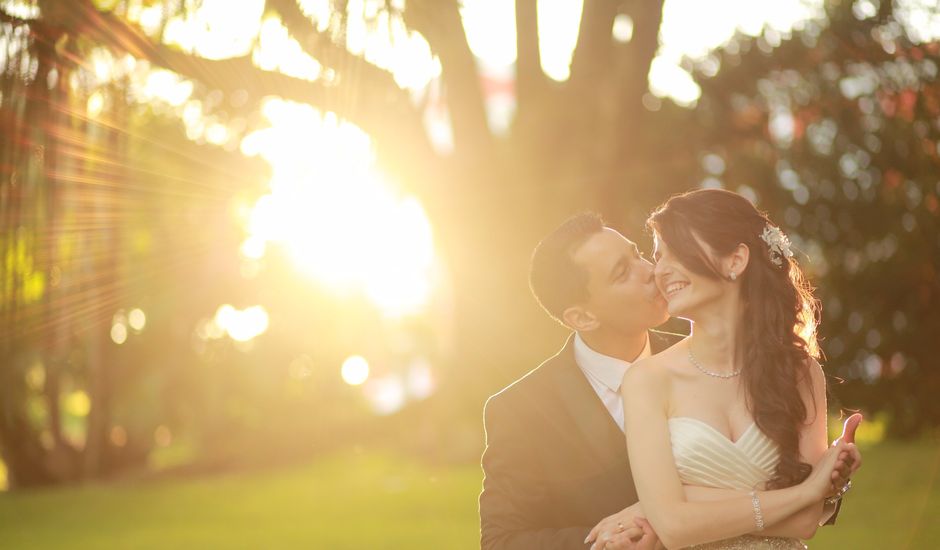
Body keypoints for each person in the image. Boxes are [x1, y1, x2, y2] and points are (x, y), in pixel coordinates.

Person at [479, 212, 858, 549]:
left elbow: (784, 479)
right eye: (622, 273)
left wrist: (828, 479)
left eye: (638, 254)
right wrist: (605, 540)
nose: (652, 271)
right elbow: (501, 541)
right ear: (583, 318)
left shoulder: (716, 360)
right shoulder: (520, 411)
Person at [586, 189, 860, 549]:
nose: (660, 270)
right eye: (658, 256)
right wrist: (809, 490)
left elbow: (807, 521)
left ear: (736, 260)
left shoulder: (800, 372)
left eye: (676, 250)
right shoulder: (648, 380)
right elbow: (673, 527)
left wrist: (680, 500)